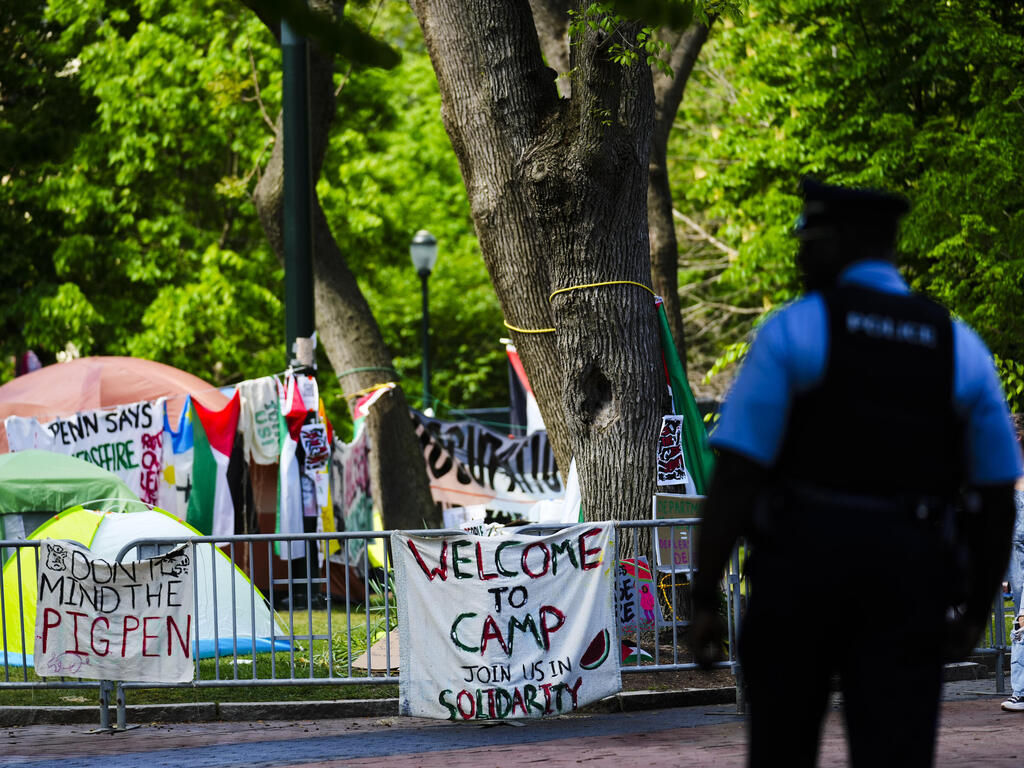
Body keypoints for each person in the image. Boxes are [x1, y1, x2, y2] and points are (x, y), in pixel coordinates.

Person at [690, 178, 1022, 768]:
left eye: (806, 243)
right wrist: (972, 613)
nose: (798, 258)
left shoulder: (795, 330)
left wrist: (705, 595)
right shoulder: (958, 345)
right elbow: (998, 494)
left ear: (832, 246)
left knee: (782, 750)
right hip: (909, 581)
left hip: (798, 577)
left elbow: (737, 473)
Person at [999, 415, 1024, 711]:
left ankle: (1020, 690)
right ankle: (1020, 690)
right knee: (1021, 620)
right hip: (1016, 552)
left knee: (1022, 619)